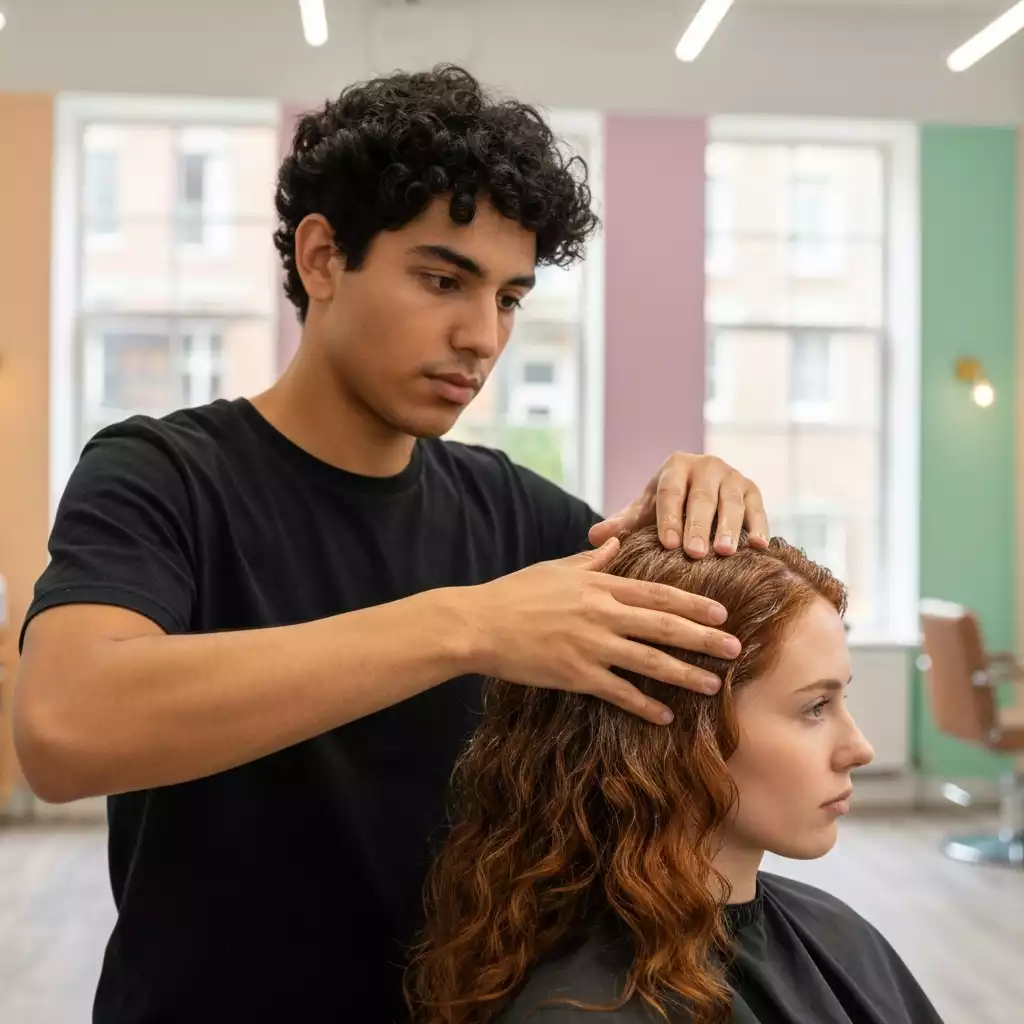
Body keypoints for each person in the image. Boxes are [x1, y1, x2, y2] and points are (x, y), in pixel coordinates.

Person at [13, 66, 769, 1024]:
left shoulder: (513, 512)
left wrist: (709, 504)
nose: (482, 335)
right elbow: (66, 730)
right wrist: (467, 625)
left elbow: (724, 643)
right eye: (442, 279)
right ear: (324, 259)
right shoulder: (162, 474)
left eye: (508, 297)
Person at [408, 526, 945, 1024]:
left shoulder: (838, 932)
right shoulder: (580, 1005)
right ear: (680, 733)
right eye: (814, 707)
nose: (859, 749)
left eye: (841, 697)